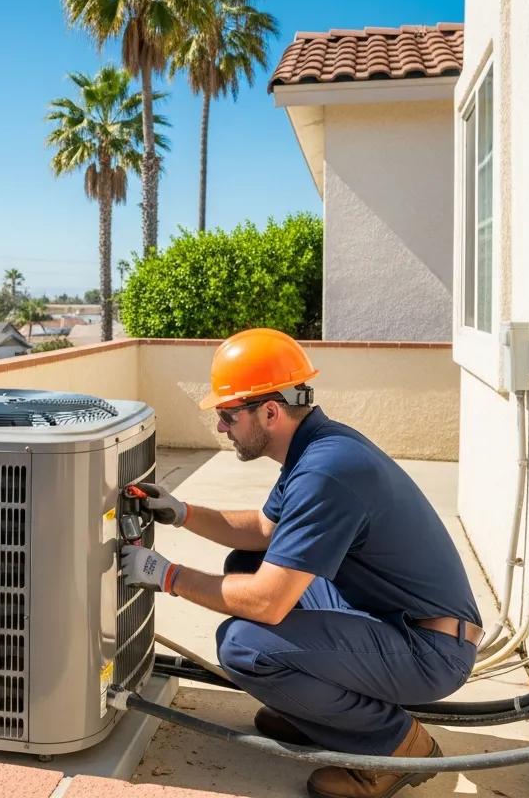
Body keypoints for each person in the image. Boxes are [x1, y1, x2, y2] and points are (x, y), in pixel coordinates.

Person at [121, 328, 482, 798]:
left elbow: (270, 603)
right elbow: (266, 531)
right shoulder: (315, 446)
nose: (220, 427)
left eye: (228, 414)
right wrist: (184, 513)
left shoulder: (326, 470)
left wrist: (166, 575)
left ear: (270, 411)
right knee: (248, 561)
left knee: (245, 646)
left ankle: (394, 747)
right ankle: (321, 710)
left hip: (428, 650)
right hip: (393, 619)